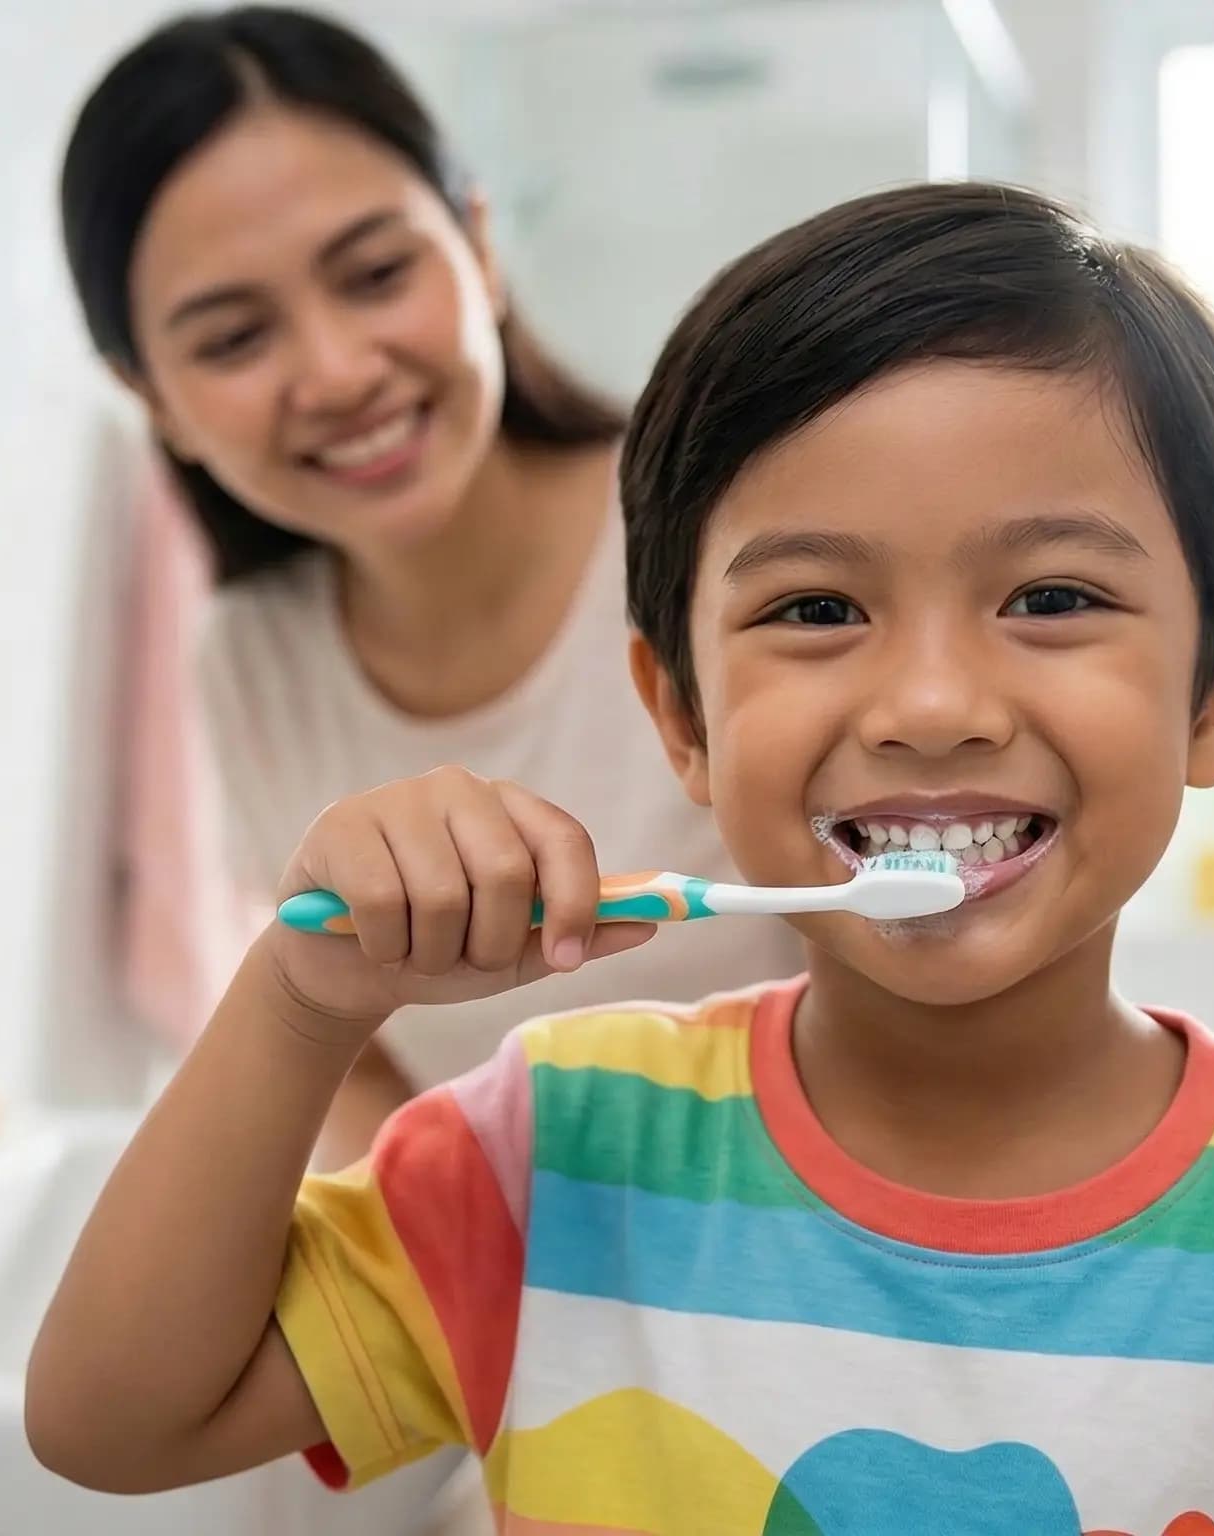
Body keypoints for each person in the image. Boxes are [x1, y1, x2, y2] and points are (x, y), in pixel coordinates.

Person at [27, 183, 1214, 1534]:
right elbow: (116, 1422)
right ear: (682, 718)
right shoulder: (555, 1156)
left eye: (1053, 598)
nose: (931, 704)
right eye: (816, 610)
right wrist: (300, 1003)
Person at [57, 7, 799, 1162]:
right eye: (234, 338)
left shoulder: (729, 537)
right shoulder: (252, 656)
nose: (337, 371)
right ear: (153, 400)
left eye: (375, 274)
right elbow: (356, 1052)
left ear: (479, 249)